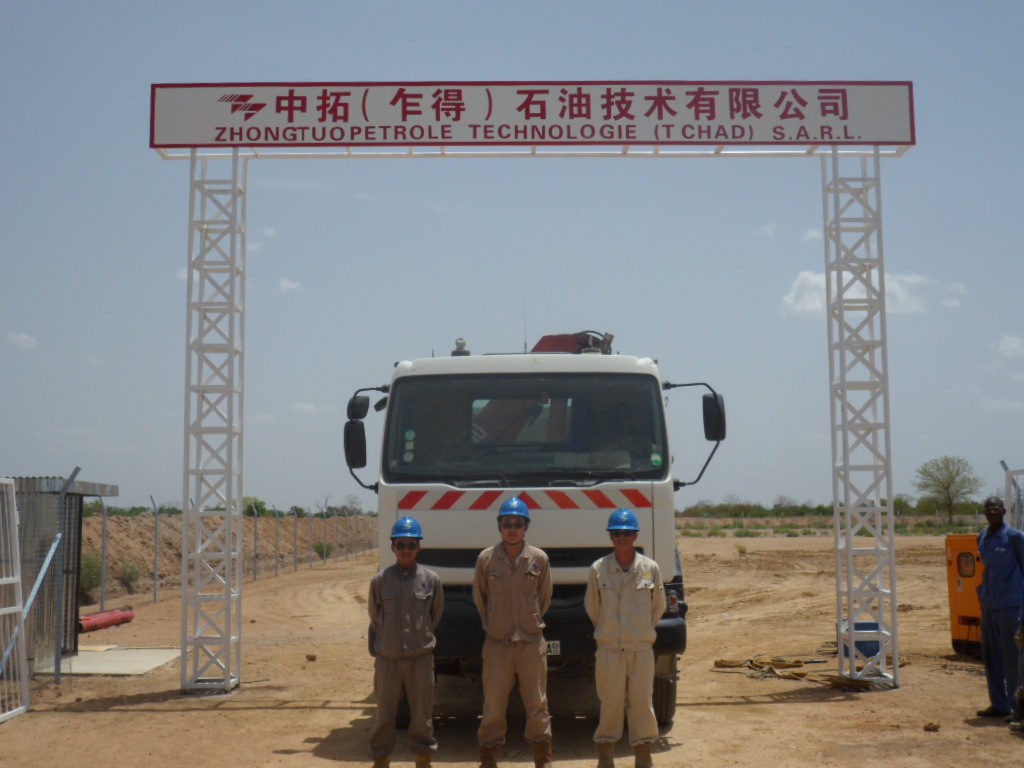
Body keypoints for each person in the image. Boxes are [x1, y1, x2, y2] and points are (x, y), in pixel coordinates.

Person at [473, 496, 554, 768]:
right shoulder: (486, 559)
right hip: (498, 645)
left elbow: (545, 598)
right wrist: (496, 624)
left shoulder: (539, 559)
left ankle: (542, 759)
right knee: (493, 707)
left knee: (538, 705)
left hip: (531, 644)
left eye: (518, 524)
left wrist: (530, 622)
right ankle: (489, 758)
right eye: (507, 523)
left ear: (526, 527)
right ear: (499, 526)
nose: (512, 529)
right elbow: (481, 598)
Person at [584, 508, 666, 768]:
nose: (622, 537)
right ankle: (605, 755)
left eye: (627, 533)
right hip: (609, 649)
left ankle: (643, 754)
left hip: (640, 648)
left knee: (642, 702)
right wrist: (611, 631)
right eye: (617, 532)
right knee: (610, 703)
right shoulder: (599, 569)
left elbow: (658, 607)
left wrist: (639, 631)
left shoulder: (650, 568)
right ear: (610, 536)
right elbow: (593, 607)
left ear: (635, 535)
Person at [368, 516, 444, 768]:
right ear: (393, 546)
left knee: (422, 718)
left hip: (420, 659)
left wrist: (418, 639)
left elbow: (435, 615)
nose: (406, 550)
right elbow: (375, 618)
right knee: (384, 717)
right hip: (388, 660)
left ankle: (423, 760)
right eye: (401, 544)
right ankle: (381, 760)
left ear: (419, 547)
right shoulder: (380, 581)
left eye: (411, 545)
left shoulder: (431, 580)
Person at [974, 496, 1024, 720]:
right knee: (990, 654)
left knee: (1012, 656)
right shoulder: (982, 537)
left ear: (1004, 512)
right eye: (989, 510)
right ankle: (999, 704)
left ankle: (1016, 707)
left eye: (996, 509)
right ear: (984, 513)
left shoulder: (1015, 537)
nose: (992, 513)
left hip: (1011, 603)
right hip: (989, 603)